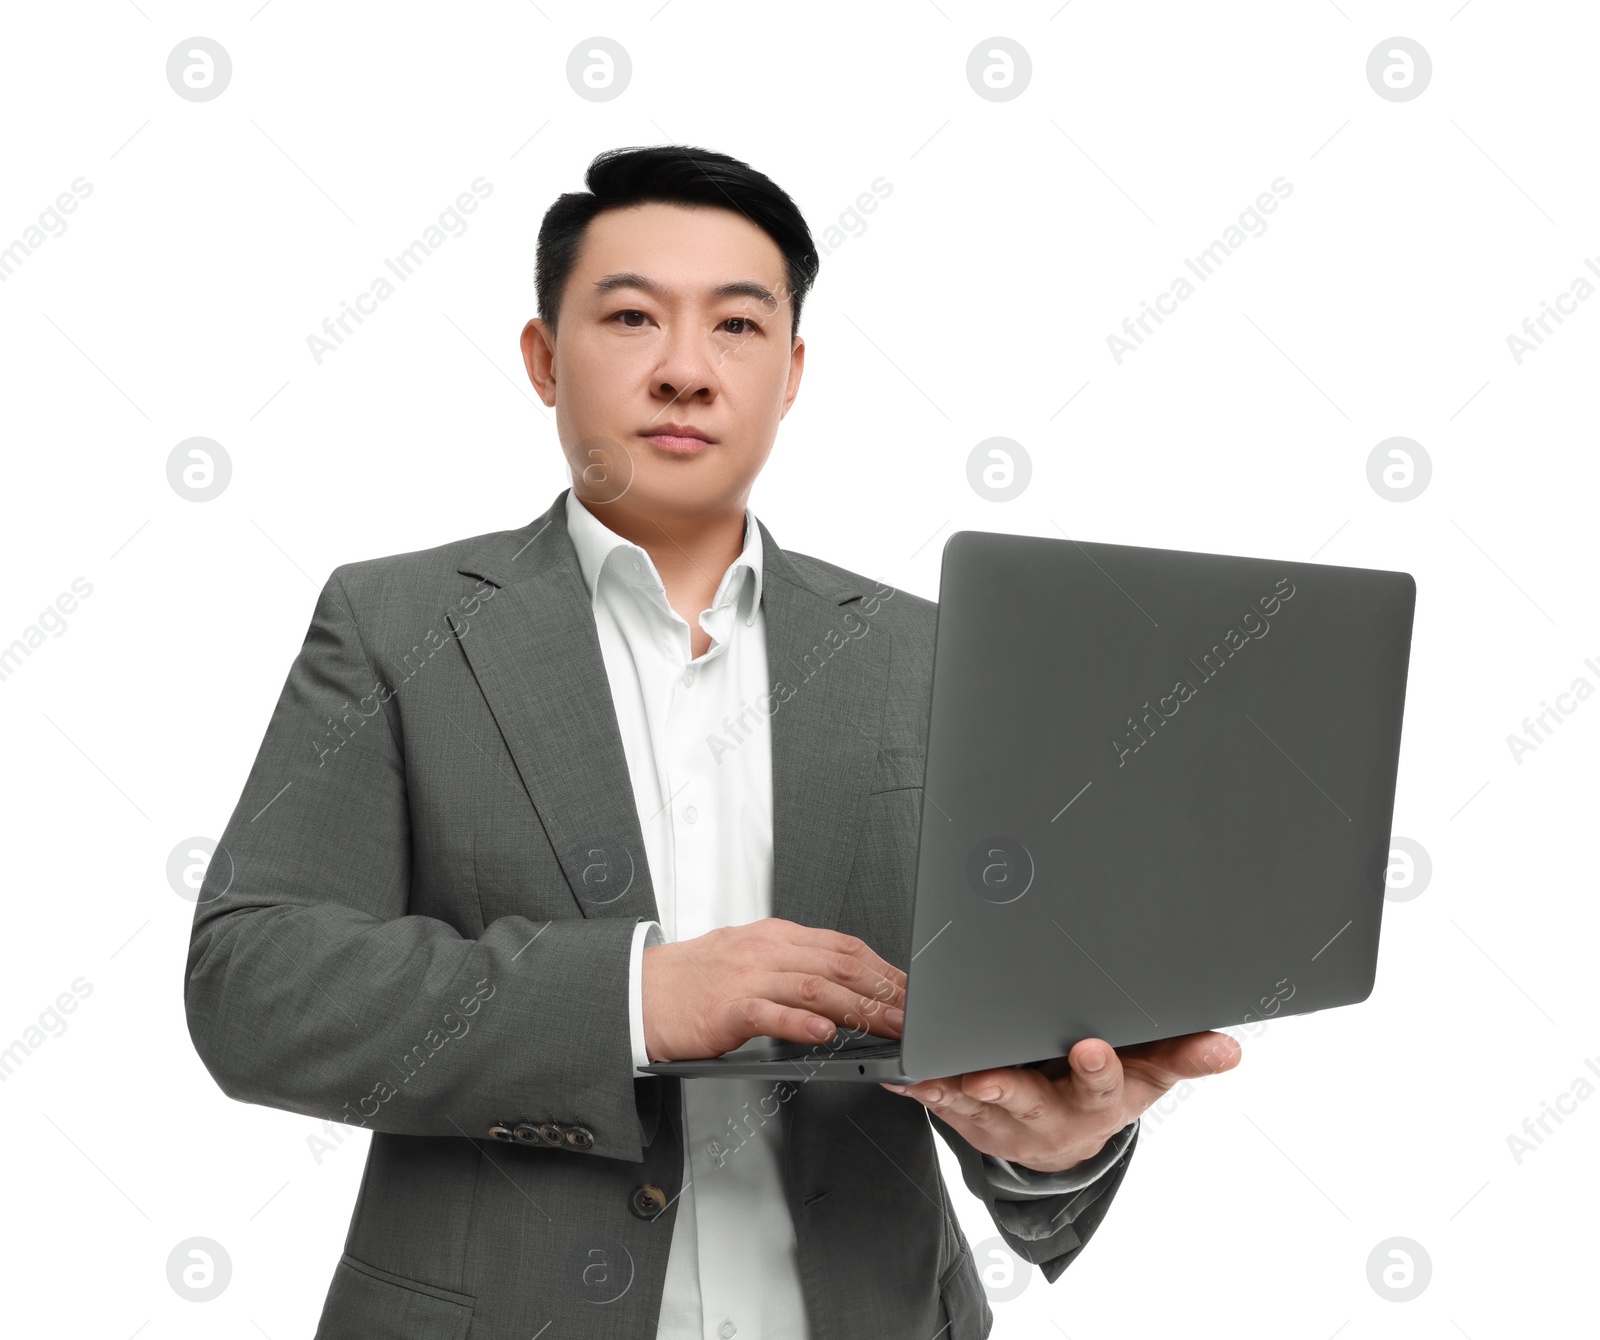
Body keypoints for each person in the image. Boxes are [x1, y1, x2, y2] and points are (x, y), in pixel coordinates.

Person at [184, 144, 1241, 1339]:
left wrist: (1053, 1146)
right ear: (542, 358)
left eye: (738, 328)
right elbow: (254, 983)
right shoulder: (397, 627)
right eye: (631, 316)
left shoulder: (932, 655)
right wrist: (633, 995)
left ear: (791, 374)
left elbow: (1007, 1022)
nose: (686, 370)